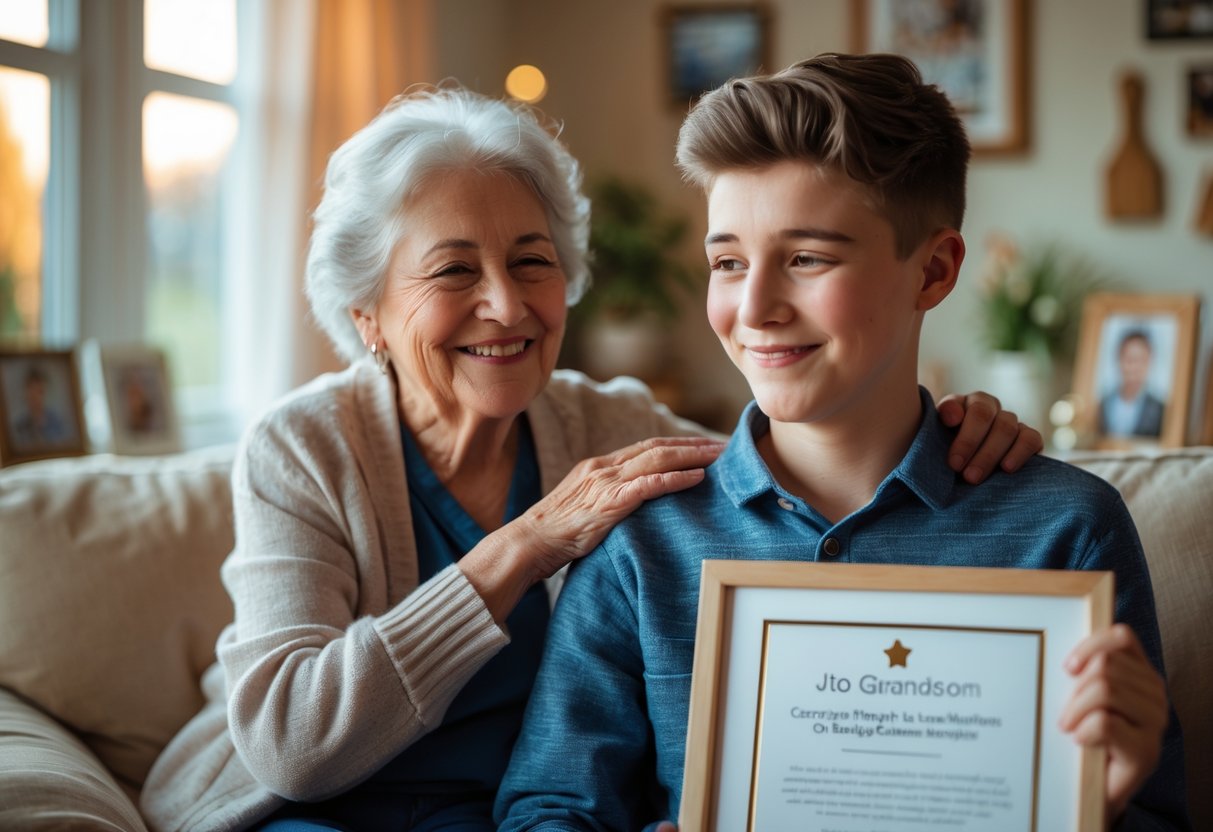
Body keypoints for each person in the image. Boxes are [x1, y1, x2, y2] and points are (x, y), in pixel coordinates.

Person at [140, 86, 1042, 832]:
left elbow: (800, 437)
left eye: (531, 262)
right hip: (305, 813)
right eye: (453, 271)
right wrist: (524, 545)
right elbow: (292, 747)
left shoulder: (611, 428)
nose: (506, 304)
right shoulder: (305, 446)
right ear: (367, 312)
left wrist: (959, 429)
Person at [497, 54, 1188, 831]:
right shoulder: (642, 544)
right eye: (726, 262)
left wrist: (1109, 798)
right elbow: (548, 810)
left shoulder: (1066, 529)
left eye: (805, 259)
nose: (752, 307)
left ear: (932, 271)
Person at [1099, 328, 1166, 438]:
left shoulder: (1160, 410)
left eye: (1140, 361)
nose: (1134, 368)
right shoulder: (1101, 405)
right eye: (1129, 360)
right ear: (1118, 360)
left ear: (1149, 363)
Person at [11, 363, 72, 448]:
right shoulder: (19, 426)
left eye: (40, 392)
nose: (36, 397)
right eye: (32, 392)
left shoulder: (57, 421)